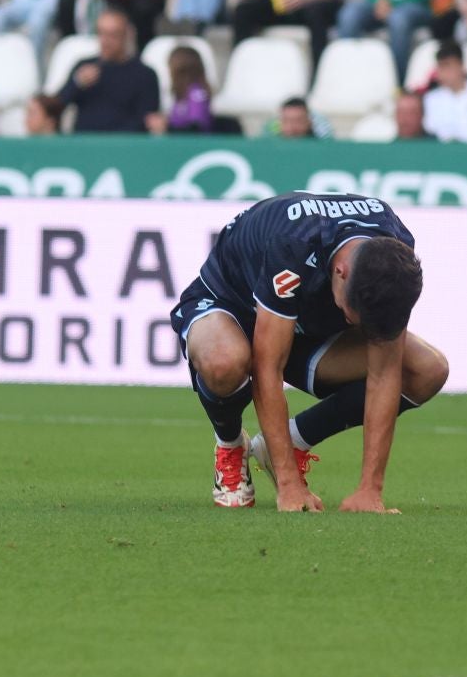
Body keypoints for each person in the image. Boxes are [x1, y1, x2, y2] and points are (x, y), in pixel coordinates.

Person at [169, 189, 447, 512]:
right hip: (230, 305)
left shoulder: (395, 252)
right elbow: (267, 367)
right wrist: (290, 486)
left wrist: (370, 490)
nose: (357, 323)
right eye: (353, 314)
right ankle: (230, 444)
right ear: (341, 272)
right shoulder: (293, 244)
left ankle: (290, 443)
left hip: (303, 325)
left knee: (427, 370)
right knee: (225, 362)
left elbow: (384, 370)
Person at [56, 7, 161, 134]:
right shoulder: (84, 66)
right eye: (101, 33)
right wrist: (76, 83)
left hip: (125, 145)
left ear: (127, 35)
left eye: (113, 35)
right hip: (84, 143)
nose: (105, 41)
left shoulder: (145, 75)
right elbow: (56, 106)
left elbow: (146, 120)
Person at [422, 41, 467, 143]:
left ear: (461, 65)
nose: (443, 72)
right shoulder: (430, 99)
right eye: (440, 67)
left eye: (447, 65)